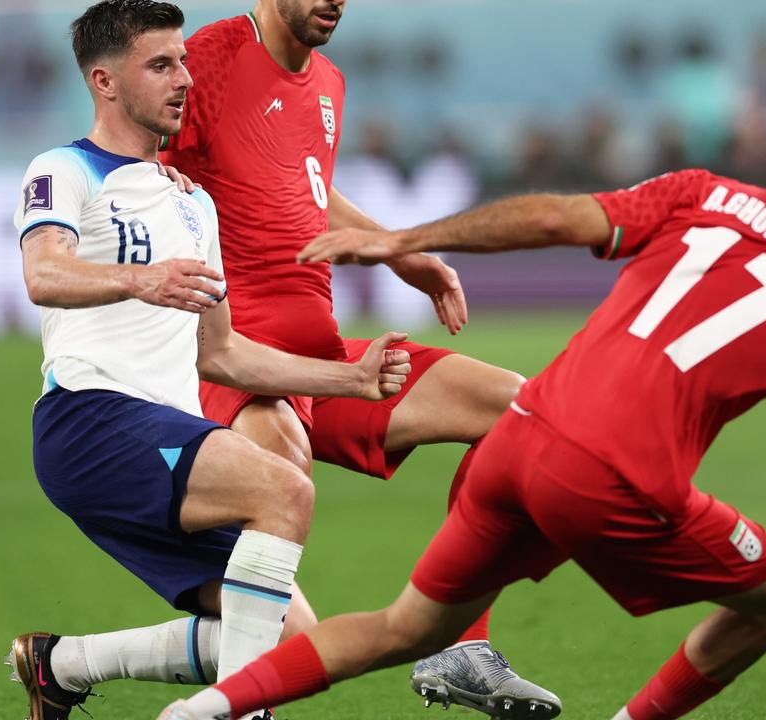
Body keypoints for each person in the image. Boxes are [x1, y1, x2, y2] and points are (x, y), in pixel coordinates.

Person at [160, 108, 766, 720]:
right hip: (612, 478)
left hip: (521, 432)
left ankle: (201, 713)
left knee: (403, 629)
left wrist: (404, 240)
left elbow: (557, 218)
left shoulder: (704, 193)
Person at [4, 3, 410, 719]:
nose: (184, 79)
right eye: (160, 65)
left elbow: (219, 354)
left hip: (162, 427)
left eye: (183, 61)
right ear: (104, 81)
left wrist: (349, 380)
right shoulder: (63, 169)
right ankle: (234, 712)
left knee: (295, 640)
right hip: (89, 419)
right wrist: (140, 279)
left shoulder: (194, 206)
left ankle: (60, 665)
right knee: (285, 491)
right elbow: (45, 274)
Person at [156, 0, 558, 714]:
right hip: (238, 363)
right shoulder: (207, 60)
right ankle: (225, 699)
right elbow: (138, 158)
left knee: (520, 413)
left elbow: (310, 186)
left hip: (329, 362)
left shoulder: (330, 84)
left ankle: (461, 645)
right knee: (280, 486)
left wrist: (400, 250)